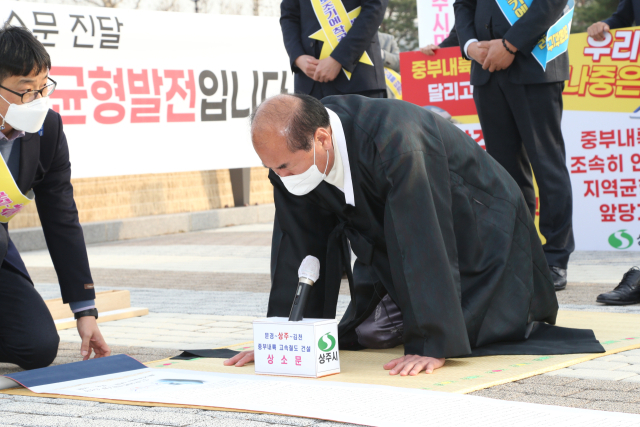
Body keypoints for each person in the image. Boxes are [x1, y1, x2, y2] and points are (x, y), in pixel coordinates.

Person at [225, 94, 603, 375]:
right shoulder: (290, 161)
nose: (281, 177)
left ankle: (438, 322)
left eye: (285, 167)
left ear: (322, 139)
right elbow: (299, 247)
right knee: (369, 332)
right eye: (272, 169)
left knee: (478, 327)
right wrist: (284, 339)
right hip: (403, 234)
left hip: (481, 222)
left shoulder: (396, 139)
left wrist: (432, 343)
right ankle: (415, 313)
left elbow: (422, 238)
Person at [0, 25, 110, 370]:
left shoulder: (47, 130)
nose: (37, 99)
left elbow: (61, 214)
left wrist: (85, 309)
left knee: (38, 346)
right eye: (25, 90)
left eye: (42, 87)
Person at [454, 0, 574, 291]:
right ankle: (516, 252)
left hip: (535, 63)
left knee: (546, 165)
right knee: (504, 172)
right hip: (486, 68)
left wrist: (510, 45)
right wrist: (470, 46)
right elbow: (463, 4)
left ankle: (555, 256)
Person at [280, 0, 388, 99]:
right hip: (309, 83)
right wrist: (298, 57)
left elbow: (375, 8)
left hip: (358, 79)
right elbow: (289, 15)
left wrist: (340, 58)